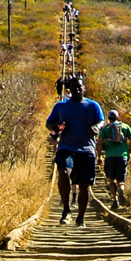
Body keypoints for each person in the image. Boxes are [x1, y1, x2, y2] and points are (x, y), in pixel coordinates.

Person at [46, 76, 103, 227]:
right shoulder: (61, 106)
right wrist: (55, 127)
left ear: (84, 88)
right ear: (69, 90)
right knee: (63, 172)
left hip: (86, 149)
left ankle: (81, 218)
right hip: (66, 146)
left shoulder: (93, 105)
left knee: (84, 185)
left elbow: (101, 121)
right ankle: (66, 210)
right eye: (74, 87)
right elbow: (49, 122)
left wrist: (97, 127)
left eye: (80, 87)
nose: (77, 90)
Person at [97, 109, 131, 210]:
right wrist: (129, 152)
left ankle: (115, 200)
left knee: (111, 180)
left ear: (109, 118)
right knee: (121, 180)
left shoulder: (105, 129)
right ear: (118, 117)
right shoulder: (125, 126)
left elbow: (99, 142)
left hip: (110, 156)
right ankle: (121, 189)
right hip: (122, 156)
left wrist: (99, 156)